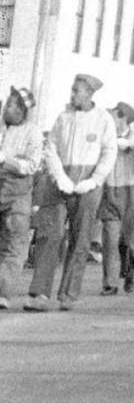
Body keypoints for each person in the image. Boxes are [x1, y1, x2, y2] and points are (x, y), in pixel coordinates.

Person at [24, 72, 117, 311]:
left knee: (81, 238)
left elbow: (109, 153)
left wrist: (94, 180)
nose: (72, 94)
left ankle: (68, 293)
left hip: (88, 182)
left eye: (77, 90)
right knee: (50, 233)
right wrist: (59, 176)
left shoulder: (103, 119)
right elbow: (51, 148)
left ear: (90, 93)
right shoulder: (63, 118)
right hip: (60, 180)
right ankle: (39, 293)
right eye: (73, 89)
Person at [0, 84, 46, 309]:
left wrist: (6, 160)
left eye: (11, 104)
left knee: (15, 244)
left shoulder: (33, 132)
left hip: (18, 193)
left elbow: (32, 165)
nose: (6, 108)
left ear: (22, 110)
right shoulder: (2, 128)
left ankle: (3, 292)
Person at [98, 101, 134, 295]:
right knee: (109, 238)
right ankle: (109, 283)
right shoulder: (106, 137)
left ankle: (129, 274)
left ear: (123, 118)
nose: (110, 118)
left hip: (131, 191)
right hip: (110, 189)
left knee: (130, 239)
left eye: (114, 115)